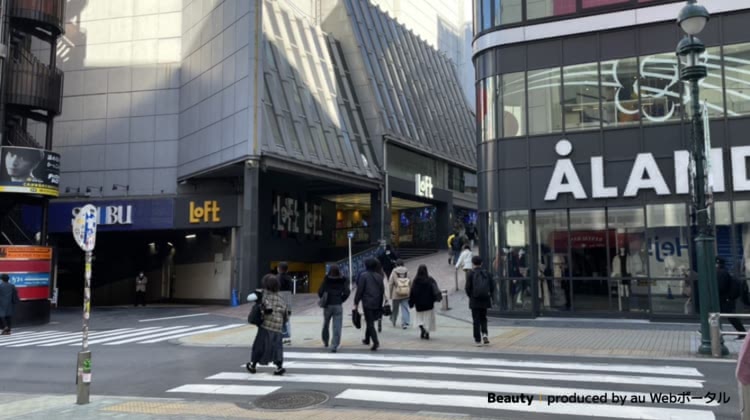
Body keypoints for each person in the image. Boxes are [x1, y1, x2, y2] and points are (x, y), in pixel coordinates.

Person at [248, 274, 289, 375]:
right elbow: (286, 316)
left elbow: (250, 299)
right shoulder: (281, 299)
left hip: (266, 326)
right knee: (277, 348)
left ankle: (253, 365)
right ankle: (279, 367)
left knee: (259, 345)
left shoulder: (263, 295)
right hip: (278, 328)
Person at [354, 257, 385, 351]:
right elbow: (382, 290)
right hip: (377, 301)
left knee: (370, 322)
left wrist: (356, 302)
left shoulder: (364, 276)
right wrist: (380, 304)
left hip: (367, 302)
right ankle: (367, 339)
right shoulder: (379, 276)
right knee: (370, 320)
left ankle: (375, 342)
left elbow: (360, 290)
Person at [318, 265, 350, 353]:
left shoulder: (326, 279)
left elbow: (320, 291)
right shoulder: (343, 279)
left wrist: (323, 298)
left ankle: (325, 341)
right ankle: (334, 345)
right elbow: (347, 292)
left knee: (326, 323)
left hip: (328, 305)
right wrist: (341, 299)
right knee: (337, 326)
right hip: (338, 304)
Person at [465, 255, 495, 346]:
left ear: (473, 263)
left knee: (476, 320)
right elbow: (492, 286)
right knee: (483, 318)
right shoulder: (487, 273)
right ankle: (485, 334)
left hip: (475, 300)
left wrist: (472, 296)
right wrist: (489, 295)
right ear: (481, 263)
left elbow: (467, 288)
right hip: (485, 299)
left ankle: (477, 339)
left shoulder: (470, 274)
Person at [717, 257, 747, 339]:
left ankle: (742, 332)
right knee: (727, 316)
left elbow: (721, 287)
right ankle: (742, 332)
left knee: (730, 317)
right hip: (726, 299)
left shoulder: (721, 273)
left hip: (725, 299)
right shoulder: (724, 272)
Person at [408, 265, 441, 340]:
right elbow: (435, 290)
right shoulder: (430, 280)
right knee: (428, 319)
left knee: (419, 319)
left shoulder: (415, 281)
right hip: (429, 304)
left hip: (419, 305)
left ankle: (422, 328)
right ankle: (427, 331)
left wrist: (411, 303)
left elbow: (412, 292)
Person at [387, 259, 411, 329]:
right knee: (405, 308)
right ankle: (405, 323)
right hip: (405, 292)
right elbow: (410, 281)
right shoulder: (407, 271)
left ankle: (393, 320)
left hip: (396, 293)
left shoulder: (394, 272)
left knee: (395, 308)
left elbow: (390, 283)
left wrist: (390, 294)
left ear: (396, 264)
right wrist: (410, 290)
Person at [277, 262, 293, 345]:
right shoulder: (289, 279)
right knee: (287, 320)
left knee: (280, 320)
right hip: (288, 300)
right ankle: (287, 337)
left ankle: (282, 337)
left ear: (279, 269)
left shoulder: (277, 278)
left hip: (280, 300)